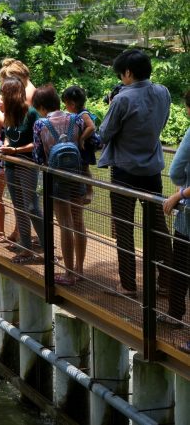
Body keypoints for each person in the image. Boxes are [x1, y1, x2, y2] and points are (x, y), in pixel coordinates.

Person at [98, 49, 173, 297]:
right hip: (152, 169)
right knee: (158, 226)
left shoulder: (121, 99)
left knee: (124, 227)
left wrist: (111, 106)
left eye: (121, 74)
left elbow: (105, 133)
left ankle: (128, 285)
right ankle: (167, 281)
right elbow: (161, 124)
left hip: (124, 171)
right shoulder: (163, 92)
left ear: (128, 73)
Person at [32, 85, 86, 285]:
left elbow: (38, 157)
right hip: (77, 175)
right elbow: (89, 144)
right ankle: (80, 270)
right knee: (79, 223)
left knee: (65, 224)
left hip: (55, 179)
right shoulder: (76, 119)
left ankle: (69, 274)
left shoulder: (40, 124)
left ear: (42, 107)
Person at [0, 77, 44, 264]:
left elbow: (39, 142)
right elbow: (6, 135)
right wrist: (6, 147)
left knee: (32, 206)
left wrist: (15, 150)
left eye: (3, 92)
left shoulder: (31, 113)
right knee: (19, 207)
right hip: (11, 165)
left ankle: (47, 246)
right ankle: (26, 248)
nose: (0, 96)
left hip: (27, 164)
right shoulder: (9, 113)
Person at [161, 89, 190, 341]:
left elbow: (176, 169)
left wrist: (180, 193)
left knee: (181, 266)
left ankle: (175, 315)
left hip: (188, 218)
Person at [62, 86, 99, 204]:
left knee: (84, 168)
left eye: (66, 104)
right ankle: (82, 189)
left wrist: (82, 138)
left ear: (72, 104)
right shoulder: (78, 113)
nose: (65, 107)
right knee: (81, 168)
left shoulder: (83, 114)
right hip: (81, 147)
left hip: (85, 146)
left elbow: (92, 127)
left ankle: (89, 191)